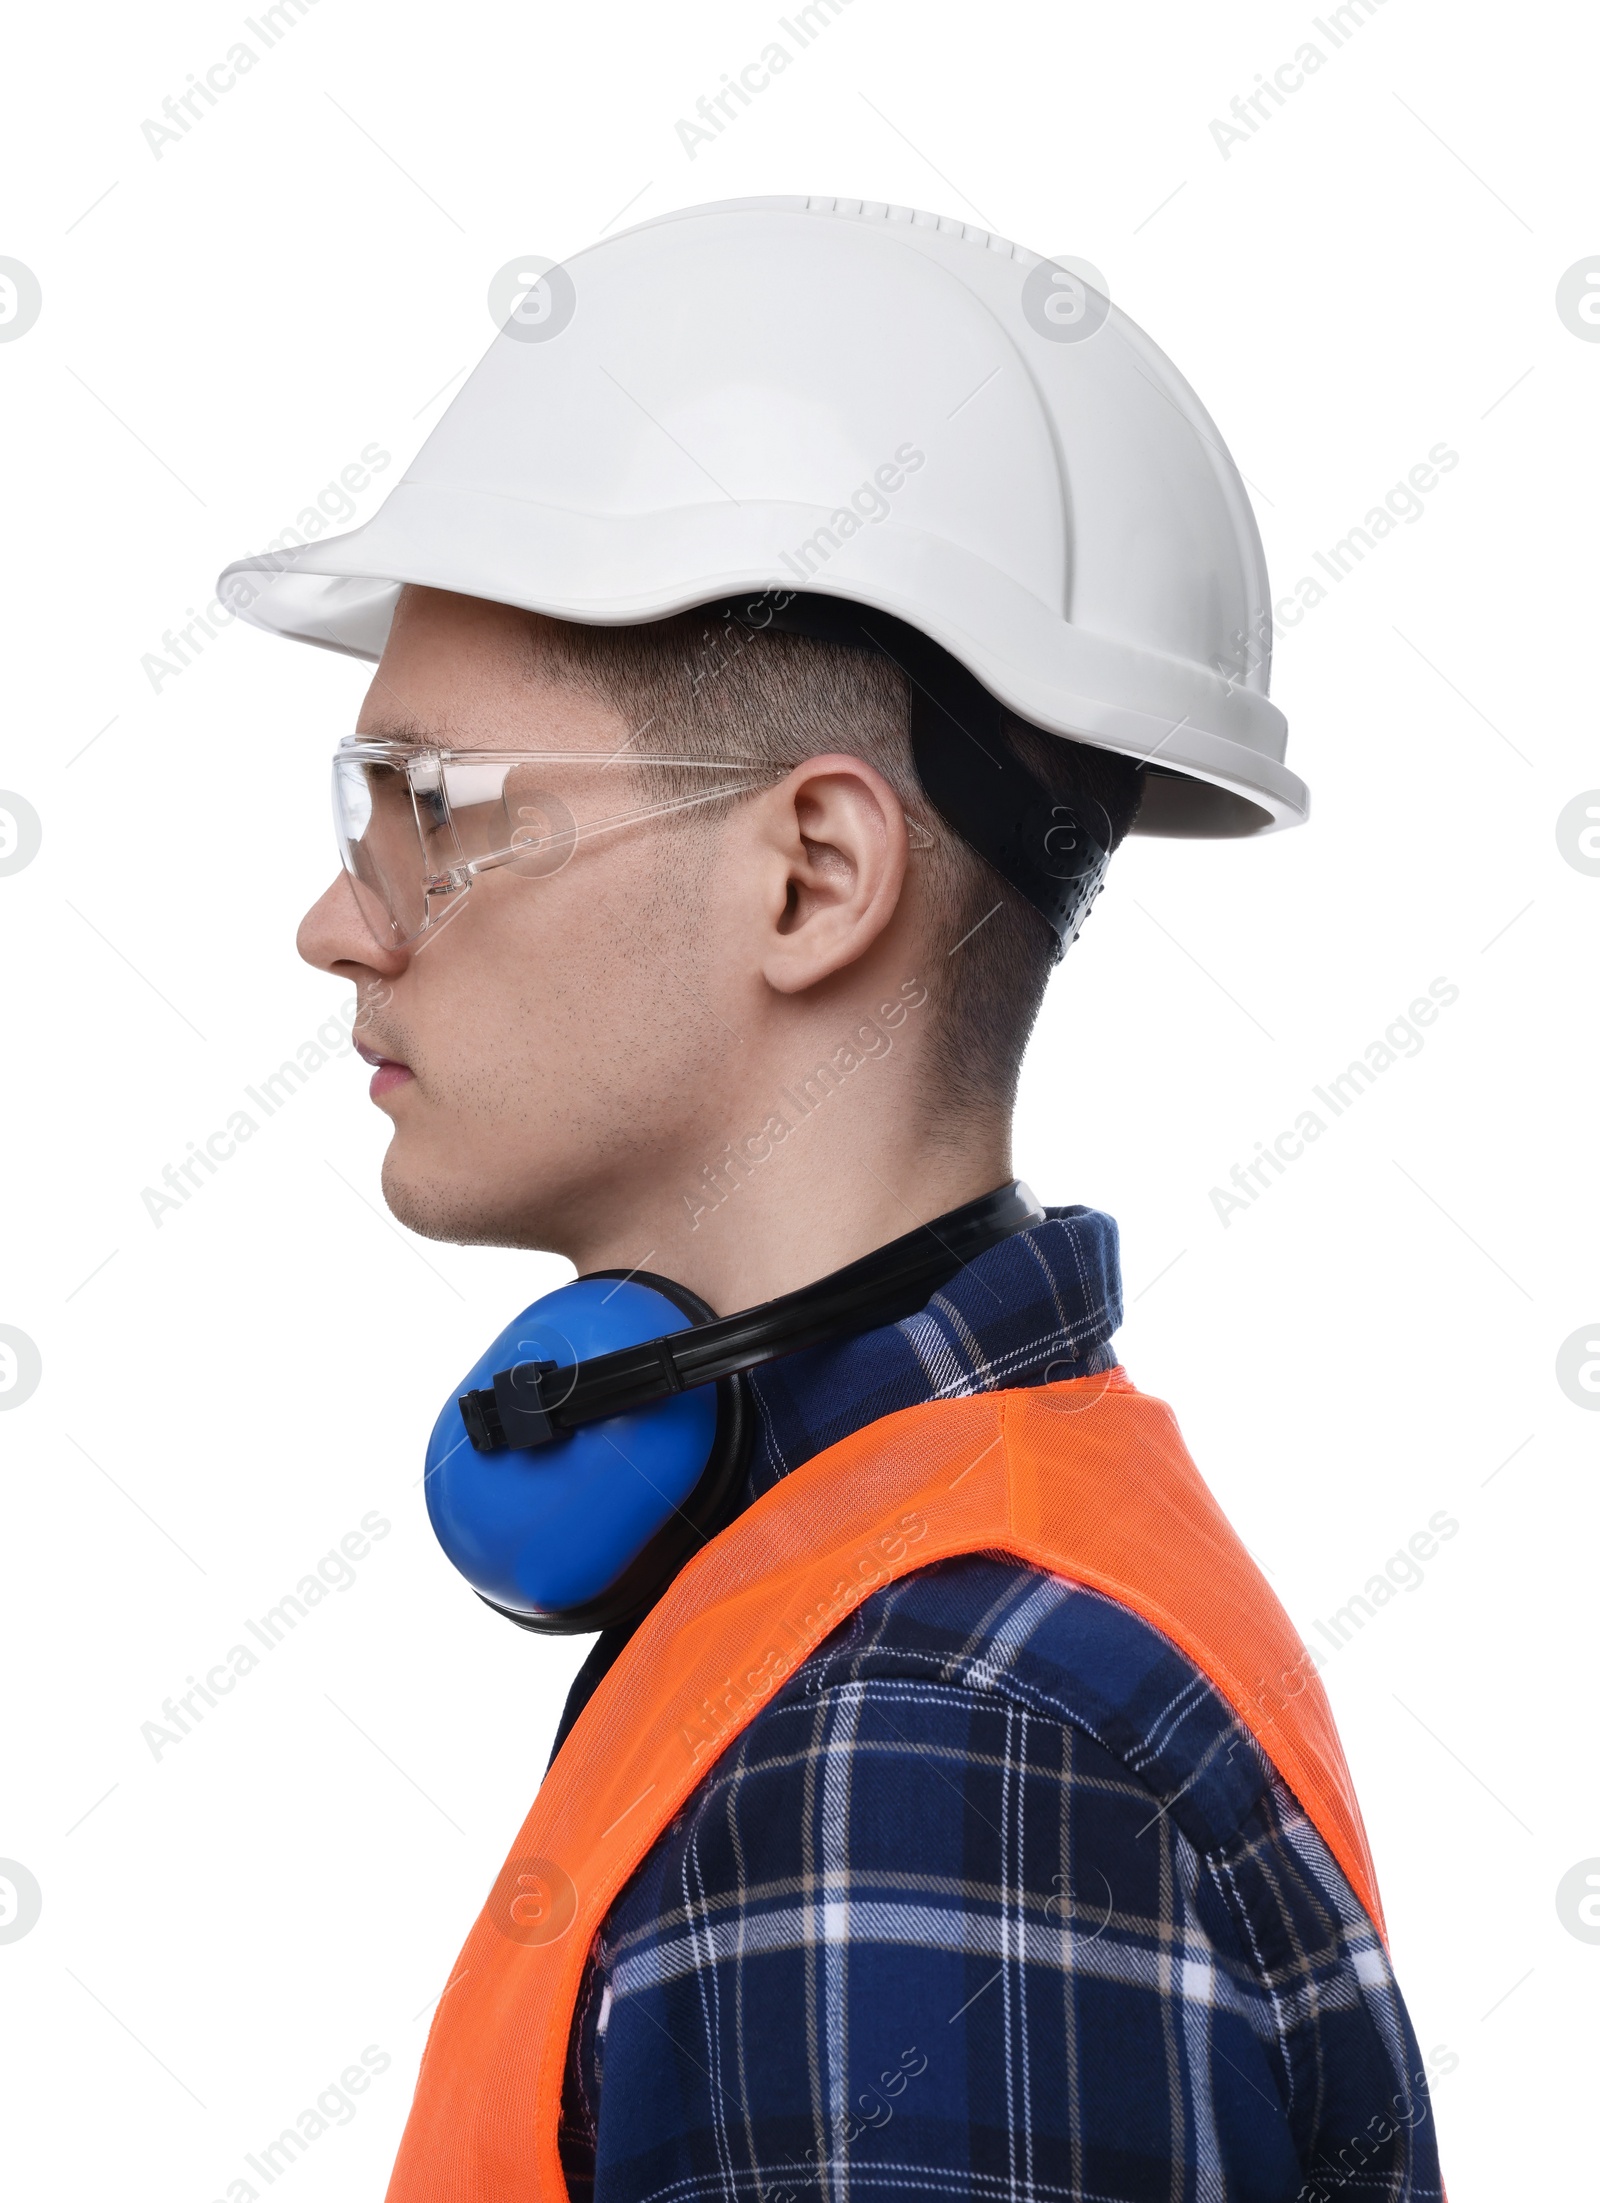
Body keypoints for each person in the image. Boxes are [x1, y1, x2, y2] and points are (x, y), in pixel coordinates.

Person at [221, 198, 1443, 2203]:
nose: (333, 922)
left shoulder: (927, 1741)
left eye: (427, 808)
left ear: (809, 876)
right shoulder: (913, 1589)